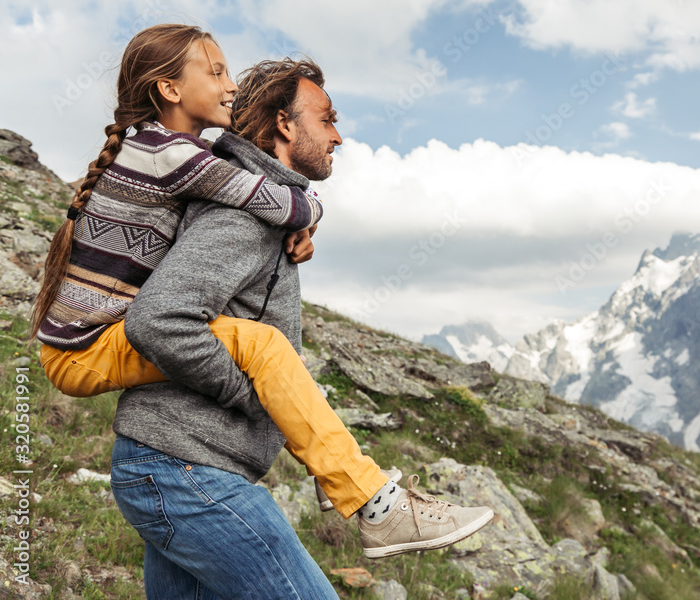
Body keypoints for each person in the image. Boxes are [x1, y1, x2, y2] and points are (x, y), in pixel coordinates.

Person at [107, 51, 493, 596]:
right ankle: (380, 507)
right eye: (327, 119)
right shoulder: (243, 217)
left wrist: (303, 215)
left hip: (171, 463)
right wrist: (253, 395)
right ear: (284, 125)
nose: (339, 136)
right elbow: (160, 319)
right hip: (187, 469)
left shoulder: (267, 209)